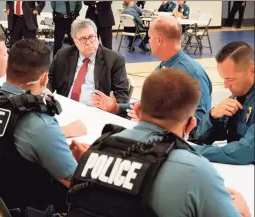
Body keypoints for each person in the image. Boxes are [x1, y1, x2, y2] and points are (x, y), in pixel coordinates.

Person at [67, 68, 247, 217]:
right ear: (191, 124)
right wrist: (244, 213)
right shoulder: (196, 172)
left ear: (137, 109)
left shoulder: (99, 147)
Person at [0, 39, 81, 213]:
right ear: (45, 77)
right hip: (21, 208)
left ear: (8, 68)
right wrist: (87, 162)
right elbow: (77, 183)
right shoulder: (39, 124)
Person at [92, 16, 212, 128]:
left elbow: (200, 123)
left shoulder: (192, 73)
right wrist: (116, 108)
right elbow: (146, 105)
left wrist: (151, 121)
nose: (148, 42)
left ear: (159, 40)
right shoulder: (164, 67)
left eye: (149, 37)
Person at [194, 41, 254, 165]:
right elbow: (199, 138)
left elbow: (246, 152)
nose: (226, 86)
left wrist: (195, 151)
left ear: (252, 71)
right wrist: (213, 116)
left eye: (230, 79)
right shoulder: (239, 97)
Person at [48, 18, 129, 106]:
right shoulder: (63, 55)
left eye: (91, 37)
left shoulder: (114, 60)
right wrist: (46, 92)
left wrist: (111, 106)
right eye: (83, 39)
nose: (88, 42)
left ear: (96, 36)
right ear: (75, 41)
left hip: (97, 110)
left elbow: (122, 97)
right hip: (66, 106)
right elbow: (50, 80)